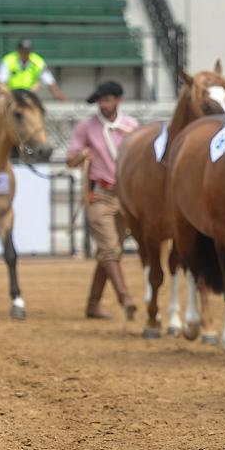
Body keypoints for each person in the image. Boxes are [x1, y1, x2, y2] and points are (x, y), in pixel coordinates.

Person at [66, 81, 139, 320]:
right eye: (101, 101)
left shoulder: (131, 127)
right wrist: (81, 156)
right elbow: (70, 160)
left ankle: (93, 304)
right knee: (110, 249)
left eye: (108, 100)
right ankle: (124, 297)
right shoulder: (86, 127)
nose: (104, 105)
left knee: (108, 252)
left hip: (125, 196)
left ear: (118, 100)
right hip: (99, 195)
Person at [0, 39, 69, 102]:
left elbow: (50, 83)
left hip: (29, 96)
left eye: (27, 51)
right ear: (18, 50)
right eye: (23, 51)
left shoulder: (38, 62)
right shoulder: (8, 60)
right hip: (11, 96)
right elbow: (1, 83)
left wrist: (64, 101)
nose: (25, 54)